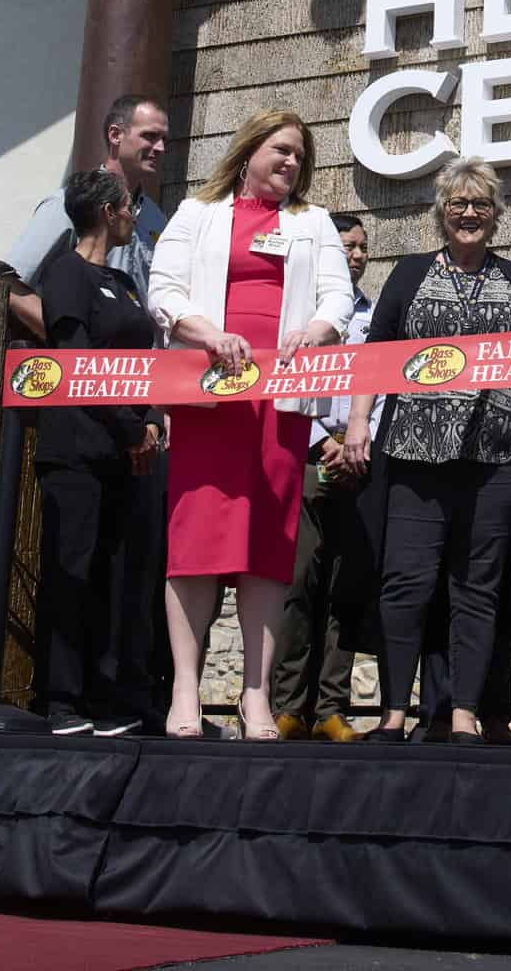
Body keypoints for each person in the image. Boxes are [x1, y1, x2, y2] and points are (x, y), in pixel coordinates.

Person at [145, 107, 355, 739]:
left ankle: (256, 696)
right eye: (281, 149)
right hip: (212, 401)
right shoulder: (195, 214)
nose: (291, 162)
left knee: (267, 553)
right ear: (248, 150)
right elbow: (164, 290)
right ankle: (186, 689)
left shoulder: (313, 222)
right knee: (197, 547)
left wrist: (316, 329)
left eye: (299, 154)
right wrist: (207, 332)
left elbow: (337, 299)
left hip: (280, 407)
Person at [348, 159, 511, 739]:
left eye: (480, 205)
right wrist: (357, 423)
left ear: (497, 216)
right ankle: (394, 713)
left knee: (477, 586)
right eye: (458, 204)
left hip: (497, 457)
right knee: (406, 581)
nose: (469, 214)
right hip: (414, 453)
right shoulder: (410, 274)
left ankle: (466, 714)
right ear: (441, 212)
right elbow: (376, 353)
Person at [24, 168, 163, 735]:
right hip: (78, 446)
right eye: (128, 207)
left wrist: (149, 422)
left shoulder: (126, 285)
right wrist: (132, 429)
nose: (133, 216)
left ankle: (106, 695)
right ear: (108, 212)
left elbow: (148, 366)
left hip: (125, 452)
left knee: (116, 575)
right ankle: (60, 696)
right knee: (71, 570)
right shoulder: (65, 274)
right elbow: (76, 365)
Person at [271, 211, 375, 741]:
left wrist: (362, 442)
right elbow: (280, 385)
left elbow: (381, 384)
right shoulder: (298, 312)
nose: (355, 255)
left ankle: (331, 707)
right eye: (347, 246)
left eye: (361, 247)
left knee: (344, 587)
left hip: (358, 462)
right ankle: (287, 704)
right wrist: (322, 442)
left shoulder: (373, 316)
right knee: (297, 584)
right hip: (306, 455)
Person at [21, 94, 174, 329]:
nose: (161, 148)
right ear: (115, 135)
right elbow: (10, 285)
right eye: (150, 136)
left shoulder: (156, 218)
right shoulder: (65, 203)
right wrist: (67, 338)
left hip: (142, 362)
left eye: (164, 139)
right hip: (84, 363)